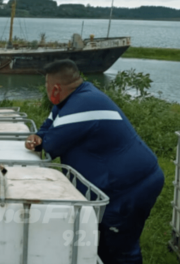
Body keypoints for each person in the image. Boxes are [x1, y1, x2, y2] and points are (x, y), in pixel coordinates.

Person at [25, 59, 164, 264]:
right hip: (118, 183)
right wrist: (39, 136)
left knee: (120, 247)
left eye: (47, 87)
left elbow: (51, 144)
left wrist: (39, 140)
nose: (47, 92)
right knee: (100, 243)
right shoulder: (71, 100)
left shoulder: (83, 105)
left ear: (55, 89)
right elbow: (47, 127)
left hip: (130, 187)